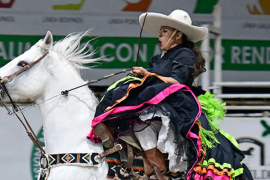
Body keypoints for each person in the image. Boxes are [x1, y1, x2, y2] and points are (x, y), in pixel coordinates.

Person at [88, 10, 253, 180]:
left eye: (164, 31)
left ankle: (159, 166)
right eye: (160, 31)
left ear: (178, 35)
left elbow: (177, 81)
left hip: (177, 102)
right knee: (128, 101)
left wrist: (148, 75)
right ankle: (126, 151)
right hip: (158, 100)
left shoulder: (185, 54)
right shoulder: (157, 59)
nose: (159, 35)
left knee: (141, 121)